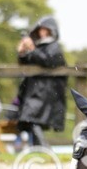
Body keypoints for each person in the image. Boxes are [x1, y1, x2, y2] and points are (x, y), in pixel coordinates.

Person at [14, 16, 68, 149]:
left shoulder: (54, 47)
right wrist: (22, 52)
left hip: (47, 91)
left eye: (45, 30)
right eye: (40, 30)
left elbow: (48, 61)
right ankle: (40, 148)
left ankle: (43, 148)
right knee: (30, 120)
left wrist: (32, 50)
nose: (42, 32)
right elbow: (25, 62)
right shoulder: (39, 46)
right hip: (34, 90)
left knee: (31, 118)